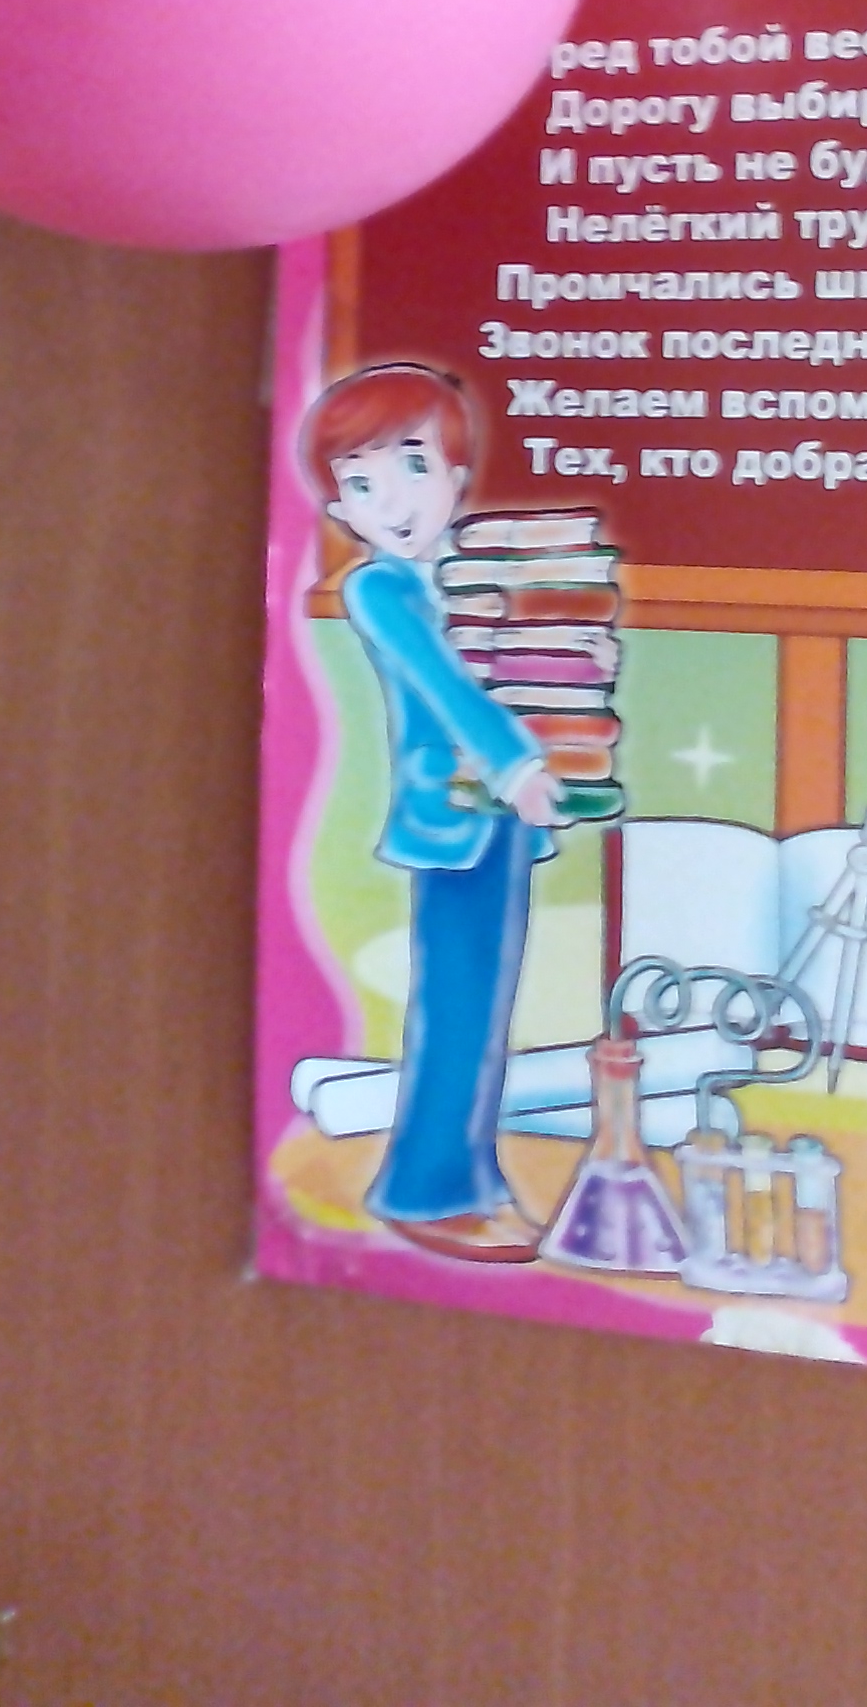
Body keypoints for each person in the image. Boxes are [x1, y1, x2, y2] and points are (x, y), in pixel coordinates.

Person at [300, 361, 561, 1265]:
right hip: (452, 823)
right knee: (454, 1015)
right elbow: (444, 688)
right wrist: (516, 765)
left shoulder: (466, 576)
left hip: (501, 822)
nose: (395, 501)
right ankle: (425, 1191)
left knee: (483, 1014)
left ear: (455, 472)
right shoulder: (381, 590)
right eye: (362, 484)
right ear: (341, 511)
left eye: (412, 465)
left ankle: (471, 1178)